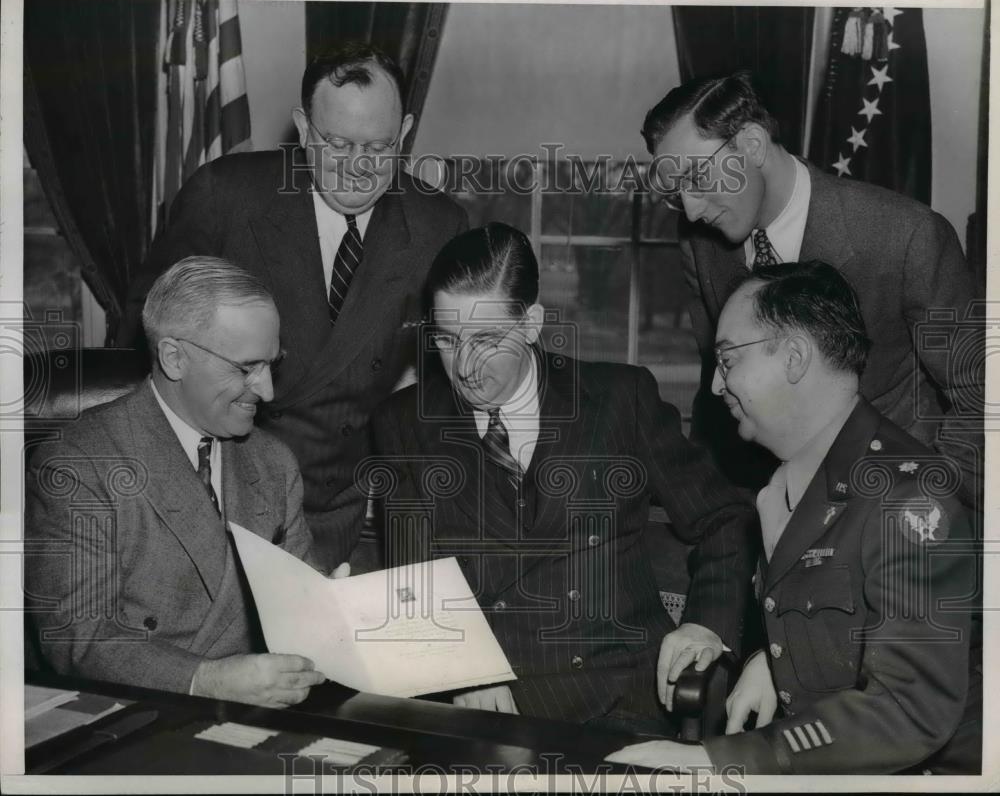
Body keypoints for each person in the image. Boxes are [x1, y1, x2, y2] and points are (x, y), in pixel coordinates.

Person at [367, 222, 755, 727]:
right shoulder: (403, 423)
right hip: (483, 705)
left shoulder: (620, 400)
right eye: (447, 340)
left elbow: (725, 517)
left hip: (620, 699)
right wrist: (461, 672)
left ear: (531, 324)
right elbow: (410, 580)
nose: (463, 366)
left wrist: (705, 624)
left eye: (485, 339)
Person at [608, 262, 980, 774]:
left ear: (795, 358)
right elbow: (839, 627)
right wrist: (781, 664)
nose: (716, 385)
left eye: (727, 360)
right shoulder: (795, 482)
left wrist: (723, 761)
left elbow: (908, 711)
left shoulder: (909, 500)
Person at [121, 41, 468, 573]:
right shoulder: (225, 196)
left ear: (404, 133)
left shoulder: (437, 226)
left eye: (378, 148)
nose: (358, 169)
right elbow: (145, 333)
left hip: (331, 505)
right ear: (304, 129)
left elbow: (443, 386)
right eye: (337, 144)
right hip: (211, 489)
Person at [640, 71, 982, 504]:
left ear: (752, 144)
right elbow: (720, 379)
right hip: (761, 499)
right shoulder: (700, 244)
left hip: (889, 501)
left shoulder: (908, 235)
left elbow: (982, 399)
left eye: (697, 177)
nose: (689, 209)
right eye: (675, 191)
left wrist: (934, 503)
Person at [26, 257, 344, 707]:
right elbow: (77, 639)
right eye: (246, 367)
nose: (269, 390)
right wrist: (208, 680)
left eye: (273, 363)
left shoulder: (273, 462)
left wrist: (335, 612)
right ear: (175, 358)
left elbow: (298, 621)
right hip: (134, 716)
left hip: (259, 711)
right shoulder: (79, 465)